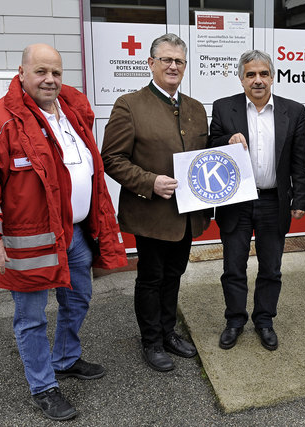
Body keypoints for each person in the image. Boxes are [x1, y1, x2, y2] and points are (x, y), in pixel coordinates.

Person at [0, 43, 127, 421]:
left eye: (56, 73)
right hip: (28, 242)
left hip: (75, 233)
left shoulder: (70, 111)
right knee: (31, 318)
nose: (50, 80)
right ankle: (43, 386)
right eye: (41, 72)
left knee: (79, 298)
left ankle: (65, 359)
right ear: (21, 73)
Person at [101, 34, 210, 372]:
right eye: (166, 60)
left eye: (178, 61)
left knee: (174, 273)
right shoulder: (129, 105)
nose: (173, 66)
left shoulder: (194, 108)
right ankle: (151, 341)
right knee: (151, 278)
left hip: (187, 214)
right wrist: (150, 181)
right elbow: (112, 158)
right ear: (151, 64)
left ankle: (168, 331)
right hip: (151, 214)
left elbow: (203, 157)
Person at [209, 50, 305, 352]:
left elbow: (299, 160)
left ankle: (264, 320)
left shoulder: (293, 111)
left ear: (272, 77)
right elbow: (208, 146)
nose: (257, 80)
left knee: (271, 268)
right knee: (233, 266)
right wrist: (226, 141)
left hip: (273, 201)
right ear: (241, 78)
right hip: (236, 202)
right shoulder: (224, 109)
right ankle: (235, 321)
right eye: (250, 74)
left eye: (263, 74)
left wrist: (300, 198)